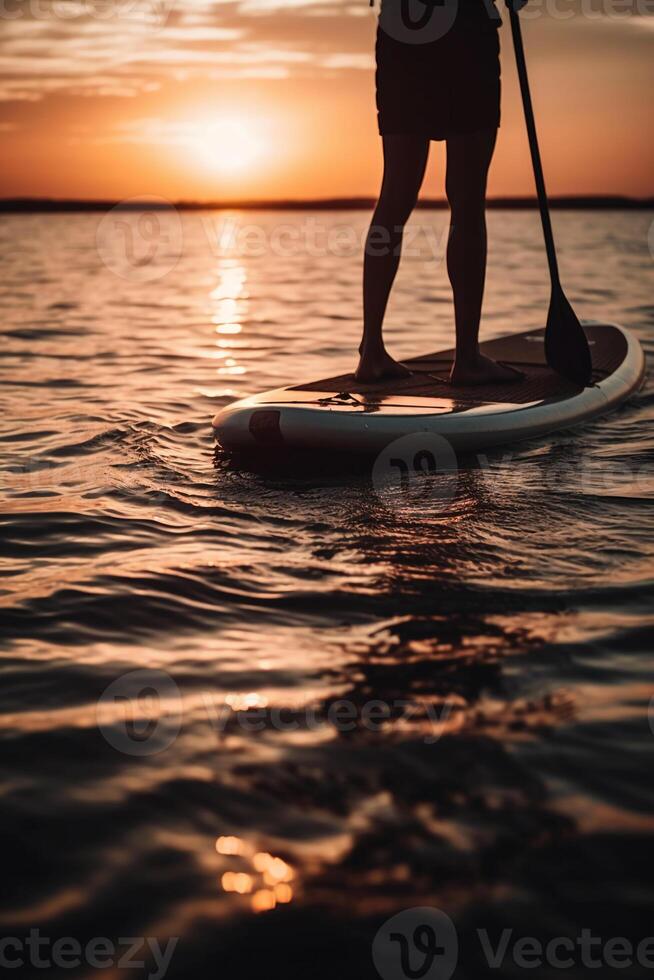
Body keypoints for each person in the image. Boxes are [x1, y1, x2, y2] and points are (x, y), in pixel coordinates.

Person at [356, 0, 525, 385]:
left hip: (401, 31)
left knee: (395, 195)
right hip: (464, 29)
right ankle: (467, 357)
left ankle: (372, 352)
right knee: (467, 200)